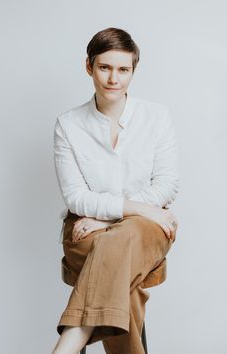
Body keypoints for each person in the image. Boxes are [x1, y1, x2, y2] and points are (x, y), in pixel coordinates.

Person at [52, 27, 179, 354]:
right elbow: (76, 197)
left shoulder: (156, 117)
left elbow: (166, 184)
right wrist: (136, 208)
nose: (113, 78)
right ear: (89, 67)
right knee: (123, 282)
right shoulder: (69, 124)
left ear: (133, 72)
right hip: (85, 231)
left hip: (146, 229)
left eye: (123, 70)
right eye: (105, 67)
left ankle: (71, 340)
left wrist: (110, 218)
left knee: (124, 238)